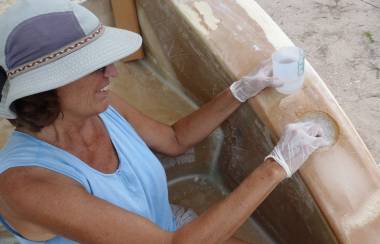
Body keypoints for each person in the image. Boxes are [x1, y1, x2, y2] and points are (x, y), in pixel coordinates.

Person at [0, 0, 328, 243]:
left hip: (164, 230)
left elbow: (174, 139)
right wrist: (276, 166)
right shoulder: (27, 184)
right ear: (48, 86)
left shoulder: (97, 105)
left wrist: (241, 89)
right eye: (96, 66)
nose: (113, 72)